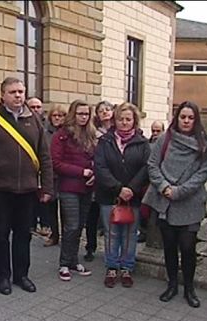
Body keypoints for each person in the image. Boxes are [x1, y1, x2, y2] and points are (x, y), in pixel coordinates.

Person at [0, 77, 54, 295]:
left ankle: (21, 274)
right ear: (3, 95)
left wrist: (46, 187)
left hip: (27, 190)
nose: (18, 95)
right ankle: (3, 276)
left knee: (23, 234)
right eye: (13, 92)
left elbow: (44, 155)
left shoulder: (33, 119)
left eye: (21, 91)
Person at [143, 101, 207, 307]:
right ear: (177, 117)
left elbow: (203, 172)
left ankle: (189, 288)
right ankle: (172, 284)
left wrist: (180, 191)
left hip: (190, 203)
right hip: (166, 202)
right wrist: (165, 187)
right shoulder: (165, 139)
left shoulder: (204, 144)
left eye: (190, 118)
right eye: (183, 117)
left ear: (196, 120)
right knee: (170, 247)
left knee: (188, 247)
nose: (186, 121)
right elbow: (152, 165)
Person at [95, 102, 149, 288]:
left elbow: (146, 167)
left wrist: (131, 188)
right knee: (111, 233)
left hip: (133, 196)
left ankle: (126, 267)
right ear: (114, 120)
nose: (124, 122)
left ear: (134, 121)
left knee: (129, 234)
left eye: (128, 119)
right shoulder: (105, 141)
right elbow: (100, 167)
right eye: (120, 119)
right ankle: (111, 266)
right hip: (109, 195)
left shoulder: (142, 143)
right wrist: (118, 188)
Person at [51, 100, 97, 281]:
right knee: (70, 226)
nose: (84, 117)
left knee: (79, 226)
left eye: (86, 114)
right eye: (80, 114)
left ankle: (73, 260)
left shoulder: (92, 134)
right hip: (68, 187)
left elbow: (97, 159)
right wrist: (81, 172)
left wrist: (95, 174)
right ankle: (64, 263)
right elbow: (56, 163)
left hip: (87, 187)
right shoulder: (62, 135)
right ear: (73, 114)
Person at [85, 100, 115, 261]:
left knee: (111, 217)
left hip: (112, 178)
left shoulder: (119, 131)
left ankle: (112, 252)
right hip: (95, 177)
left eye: (108, 109)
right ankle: (90, 247)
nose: (105, 112)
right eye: (101, 110)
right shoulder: (93, 132)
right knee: (92, 215)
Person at [41, 104, 66, 247]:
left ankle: (65, 235)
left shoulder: (68, 132)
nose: (57, 118)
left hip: (64, 174)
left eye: (61, 116)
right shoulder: (45, 133)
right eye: (55, 116)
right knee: (50, 207)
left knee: (65, 207)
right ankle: (54, 234)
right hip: (50, 174)